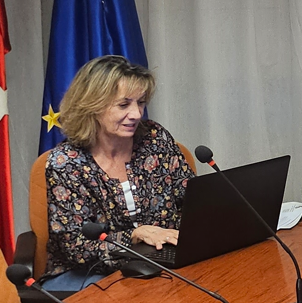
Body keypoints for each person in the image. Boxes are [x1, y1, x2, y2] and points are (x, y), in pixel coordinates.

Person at [43, 56, 193, 289]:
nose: (136, 114)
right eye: (124, 105)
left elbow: (192, 200)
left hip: (159, 263)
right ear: (92, 105)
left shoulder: (155, 138)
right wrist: (133, 235)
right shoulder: (65, 163)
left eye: (141, 103)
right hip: (86, 274)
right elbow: (76, 248)